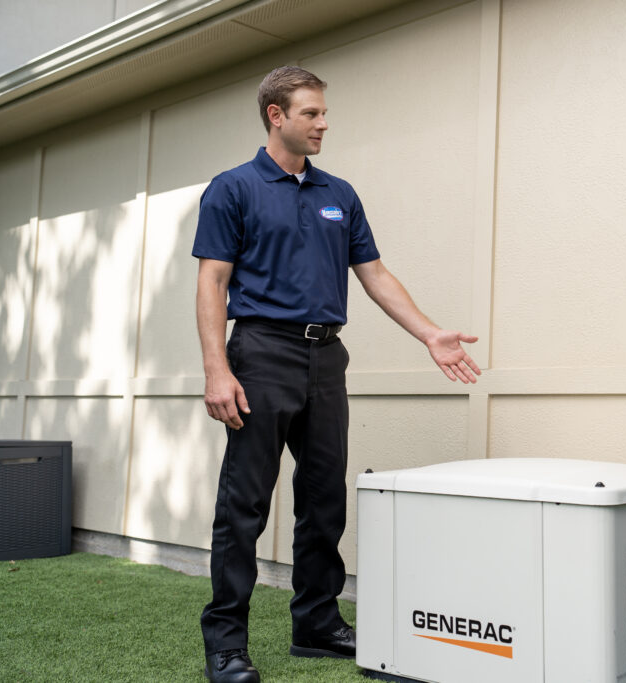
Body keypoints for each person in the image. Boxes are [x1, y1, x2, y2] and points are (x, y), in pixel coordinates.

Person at [193, 65, 481, 683]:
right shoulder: (233, 188)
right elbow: (212, 281)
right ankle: (226, 641)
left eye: (324, 113)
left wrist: (430, 333)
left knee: (324, 498)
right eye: (312, 113)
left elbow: (374, 274)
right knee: (245, 503)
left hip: (326, 357)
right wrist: (217, 369)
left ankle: (316, 624)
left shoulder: (339, 194)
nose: (324, 123)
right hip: (261, 354)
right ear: (276, 116)